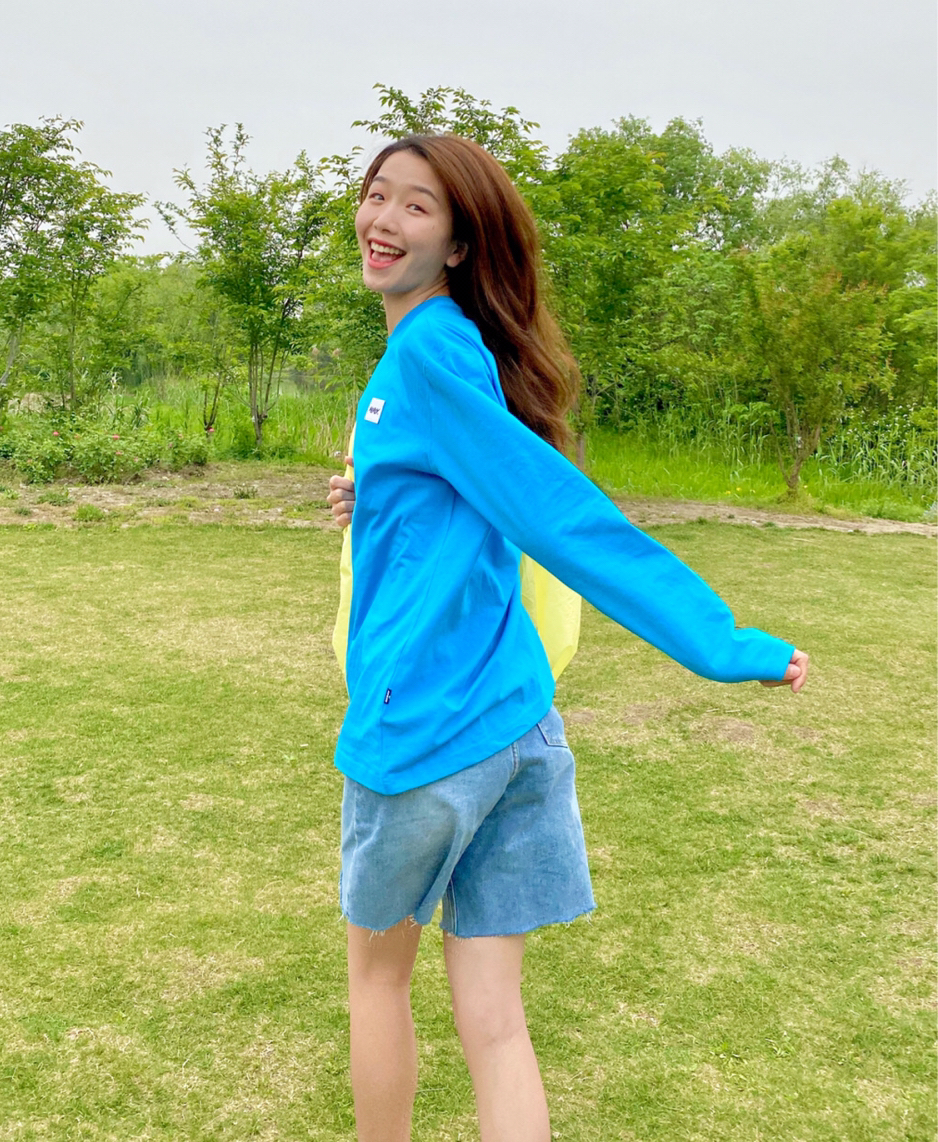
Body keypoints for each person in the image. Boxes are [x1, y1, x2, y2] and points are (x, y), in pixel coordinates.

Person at [325, 133, 809, 1142]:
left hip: (422, 734)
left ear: (459, 244)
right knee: (496, 1022)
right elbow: (464, 497)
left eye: (417, 206)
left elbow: (555, 514)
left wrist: (720, 641)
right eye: (378, 194)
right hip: (514, 729)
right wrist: (373, 497)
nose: (383, 219)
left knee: (377, 981)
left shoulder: (426, 354)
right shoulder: (451, 349)